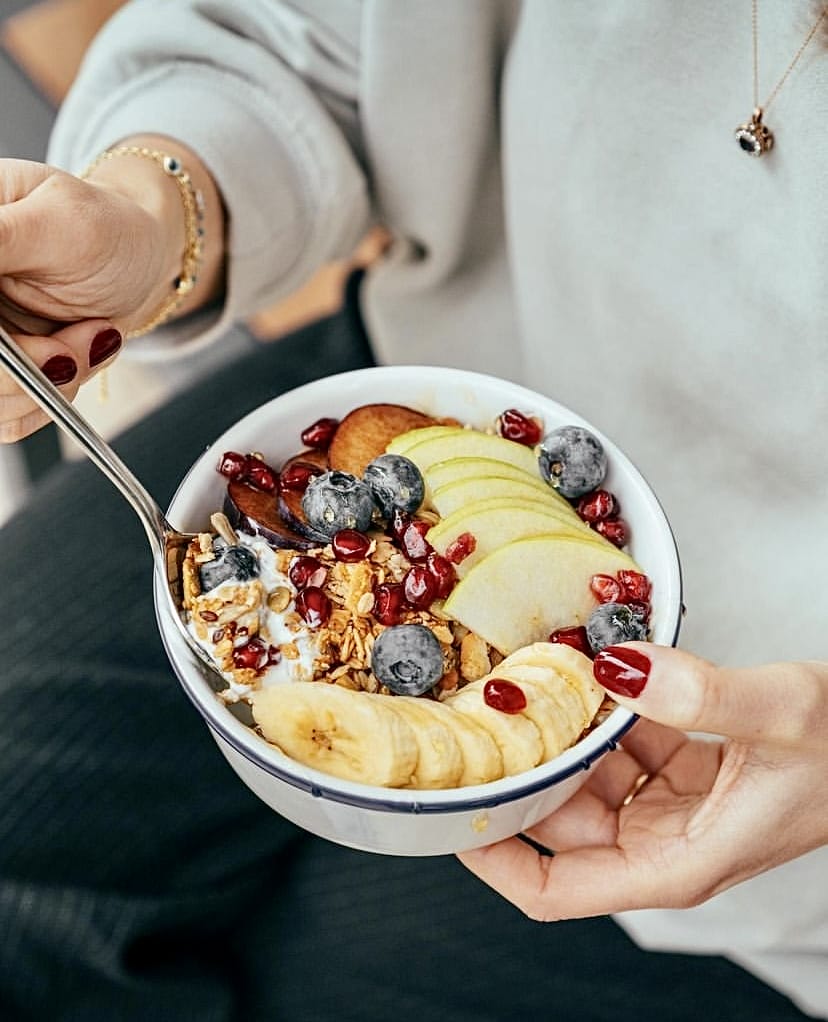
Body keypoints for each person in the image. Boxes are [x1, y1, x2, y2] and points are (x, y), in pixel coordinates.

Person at [0, 1, 825, 1018]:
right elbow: (325, 37)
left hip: (770, 799)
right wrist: (149, 214)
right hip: (428, 409)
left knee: (283, 976)